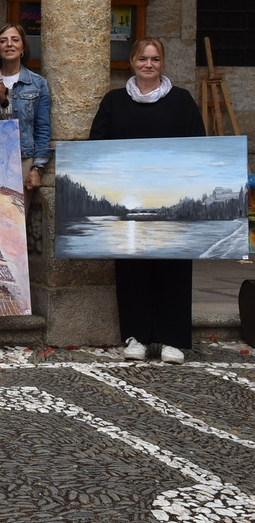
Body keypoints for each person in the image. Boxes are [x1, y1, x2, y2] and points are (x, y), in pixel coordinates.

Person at [89, 37, 205, 366]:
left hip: (173, 202)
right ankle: (136, 336)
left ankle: (173, 339)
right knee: (132, 267)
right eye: (143, 59)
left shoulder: (182, 101)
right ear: (132, 62)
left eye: (155, 59)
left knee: (174, 266)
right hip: (128, 203)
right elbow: (96, 147)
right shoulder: (114, 101)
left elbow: (199, 146)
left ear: (162, 63)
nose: (149, 65)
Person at [0, 23, 50, 212]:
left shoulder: (37, 84)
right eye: (3, 41)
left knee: (18, 218)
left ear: (23, 47)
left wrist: (37, 168)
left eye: (15, 40)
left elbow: (43, 128)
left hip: (23, 158)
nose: (9, 45)